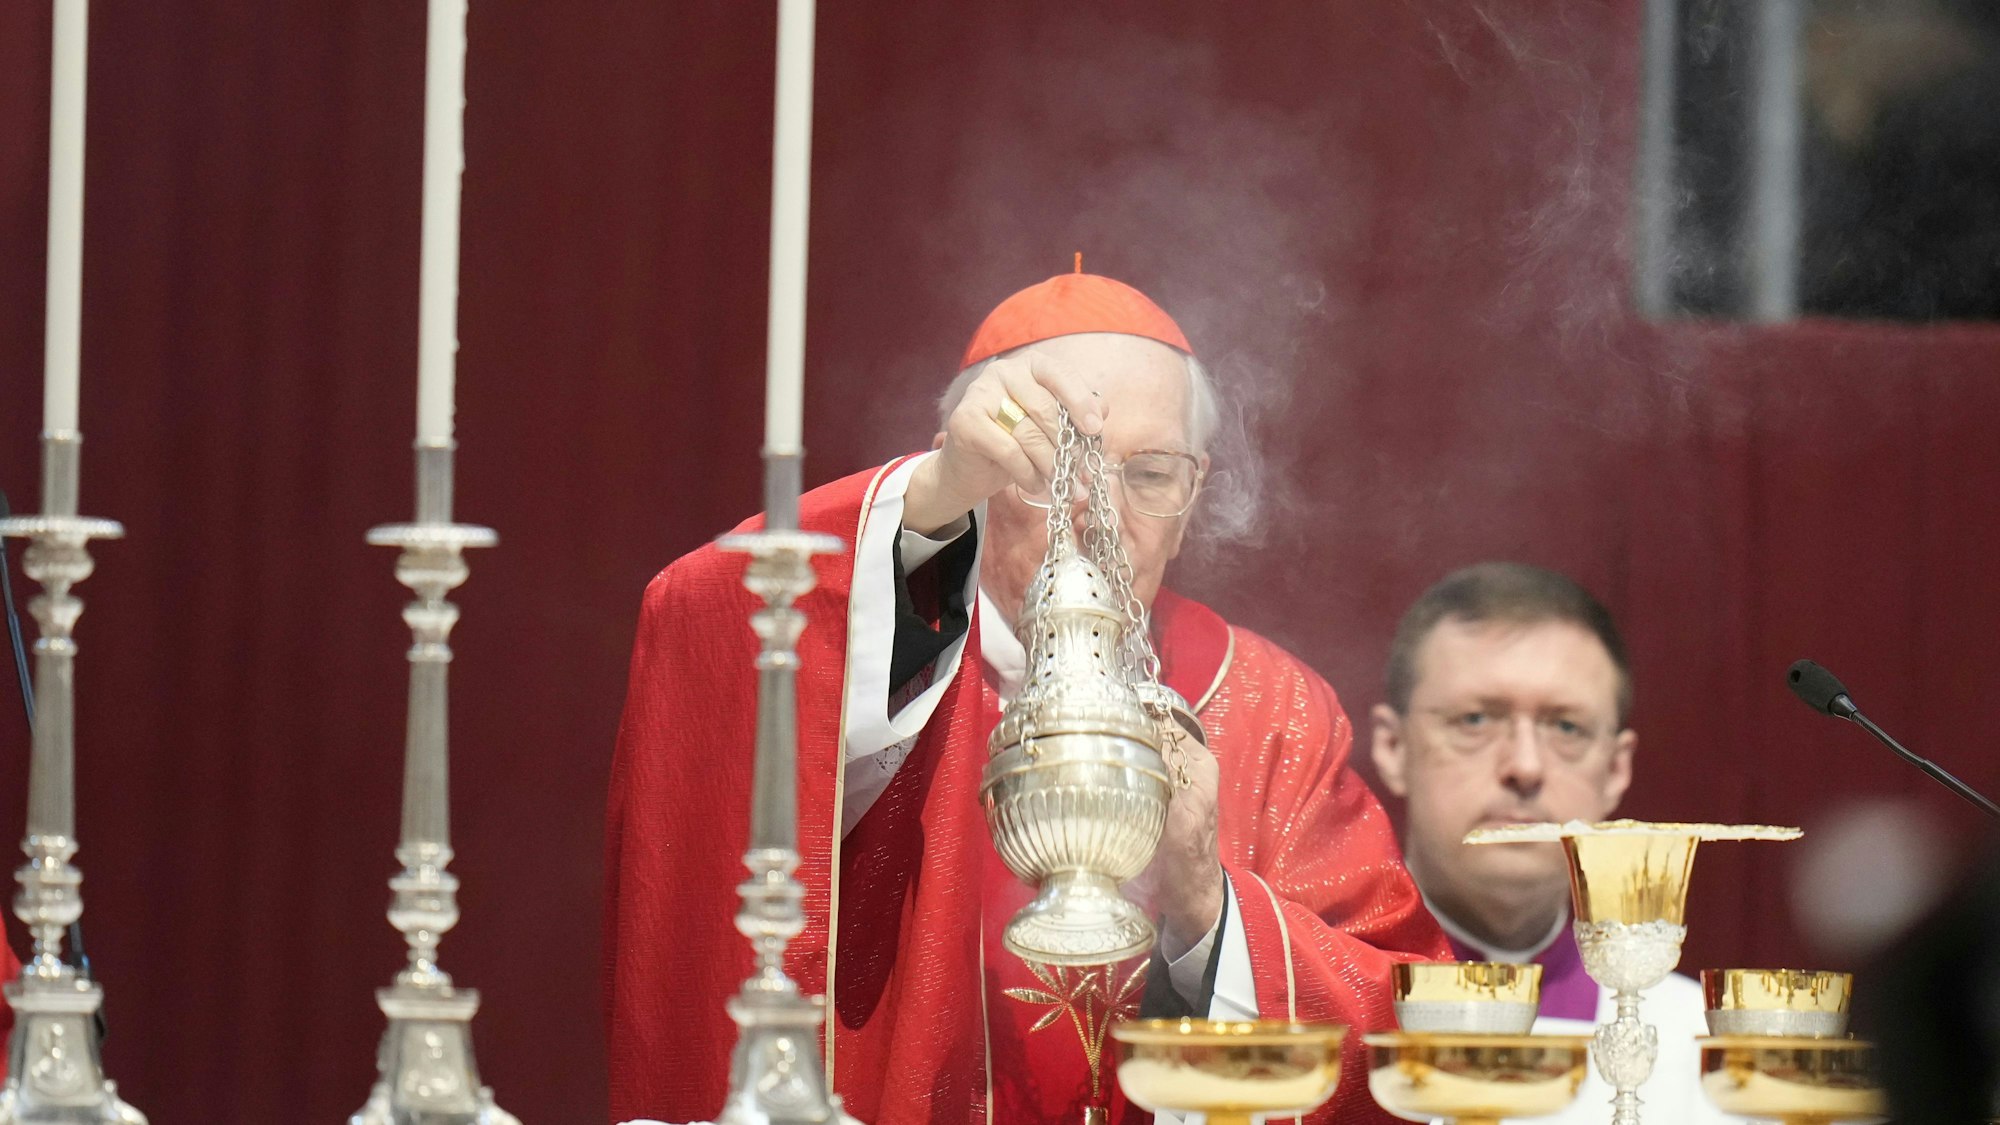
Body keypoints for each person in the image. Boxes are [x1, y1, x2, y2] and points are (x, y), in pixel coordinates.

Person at [605, 268, 1450, 1125]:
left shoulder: (1272, 706)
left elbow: (1416, 1033)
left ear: (1192, 496)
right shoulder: (889, 657)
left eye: (1150, 474)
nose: (1099, 512)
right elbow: (715, 625)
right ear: (971, 466)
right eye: (1052, 466)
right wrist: (930, 500)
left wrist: (1208, 904)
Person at [1368, 562, 1738, 1124]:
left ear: (1616, 770)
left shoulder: (1707, 1050)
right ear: (1394, 748)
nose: (1524, 766)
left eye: (1565, 727)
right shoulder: (1307, 1010)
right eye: (1474, 719)